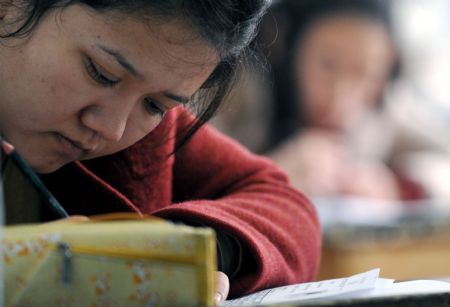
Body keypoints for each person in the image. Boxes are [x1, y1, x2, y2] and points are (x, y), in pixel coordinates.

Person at [0, 0, 322, 303]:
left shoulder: (146, 126)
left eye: (155, 105)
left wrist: (181, 249)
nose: (113, 129)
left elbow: (286, 205)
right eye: (101, 74)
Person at [261, 0, 421, 200]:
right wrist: (267, 177)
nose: (340, 95)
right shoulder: (241, 98)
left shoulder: (389, 109)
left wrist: (398, 185)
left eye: (364, 72)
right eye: (328, 66)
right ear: (288, 48)